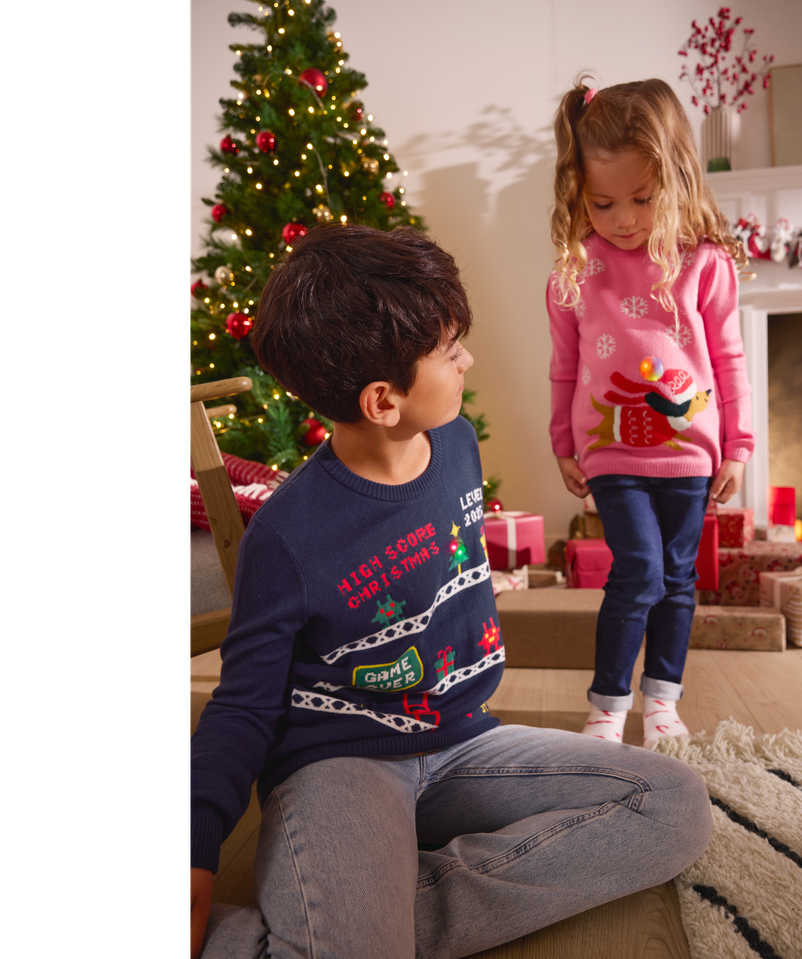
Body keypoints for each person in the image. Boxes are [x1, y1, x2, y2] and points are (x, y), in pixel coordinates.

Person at [188, 224, 712, 959]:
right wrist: (198, 841)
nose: (467, 356)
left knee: (675, 805)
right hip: (343, 758)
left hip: (465, 740)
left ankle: (367, 920)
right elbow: (242, 704)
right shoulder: (286, 535)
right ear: (382, 400)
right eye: (449, 348)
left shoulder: (458, 442)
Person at [546, 77, 755, 749]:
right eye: (603, 202)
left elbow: (729, 360)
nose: (624, 218)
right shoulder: (578, 270)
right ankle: (608, 705)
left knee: (679, 577)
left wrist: (740, 445)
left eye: (642, 198)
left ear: (676, 180)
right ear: (578, 190)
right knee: (639, 568)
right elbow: (565, 366)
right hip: (611, 451)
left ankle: (661, 699)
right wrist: (561, 442)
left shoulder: (705, 263)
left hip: (691, 452)